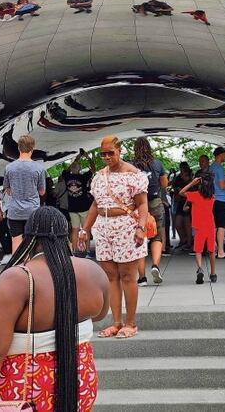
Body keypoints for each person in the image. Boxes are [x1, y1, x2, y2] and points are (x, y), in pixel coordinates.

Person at [0, 208, 108, 410]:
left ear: (28, 239)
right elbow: (100, 314)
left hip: (24, 392)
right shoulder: (94, 271)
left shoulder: (17, 279)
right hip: (80, 384)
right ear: (66, 235)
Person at [78, 136, 148, 339]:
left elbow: (142, 204)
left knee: (127, 276)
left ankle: (131, 323)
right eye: (103, 154)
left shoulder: (133, 175)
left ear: (120, 151)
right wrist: (85, 229)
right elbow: (94, 205)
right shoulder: (99, 176)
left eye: (111, 153)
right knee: (110, 277)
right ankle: (116, 322)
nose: (107, 157)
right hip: (103, 227)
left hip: (126, 226)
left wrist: (141, 228)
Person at [131, 137, 167, 286]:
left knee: (140, 239)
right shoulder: (157, 163)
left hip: (137, 205)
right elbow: (164, 184)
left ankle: (142, 278)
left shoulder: (131, 165)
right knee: (157, 236)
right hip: (155, 201)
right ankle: (155, 265)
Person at [2, 135, 45, 253]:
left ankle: (18, 267)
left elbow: (7, 189)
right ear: (32, 148)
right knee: (34, 242)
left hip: (15, 211)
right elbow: (42, 192)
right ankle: (33, 267)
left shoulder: (9, 167)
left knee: (16, 241)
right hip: (33, 211)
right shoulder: (39, 168)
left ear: (18, 148)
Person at [179, 167, 218, 284]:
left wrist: (191, 183)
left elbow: (181, 192)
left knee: (198, 250)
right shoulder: (212, 197)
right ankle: (213, 273)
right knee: (211, 250)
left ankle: (200, 268)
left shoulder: (195, 195)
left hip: (198, 226)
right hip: (210, 225)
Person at [61, 150, 96, 253]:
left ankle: (74, 251)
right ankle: (88, 250)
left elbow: (67, 170)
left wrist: (77, 158)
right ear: (79, 168)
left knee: (75, 230)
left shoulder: (67, 176)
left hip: (72, 208)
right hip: (84, 207)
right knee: (86, 229)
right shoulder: (83, 177)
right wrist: (87, 157)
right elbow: (93, 169)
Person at [209, 147, 225, 259]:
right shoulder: (219, 169)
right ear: (220, 155)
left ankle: (213, 250)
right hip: (221, 199)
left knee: (213, 226)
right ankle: (220, 251)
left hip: (212, 200)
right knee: (221, 226)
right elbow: (222, 186)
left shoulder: (211, 168)